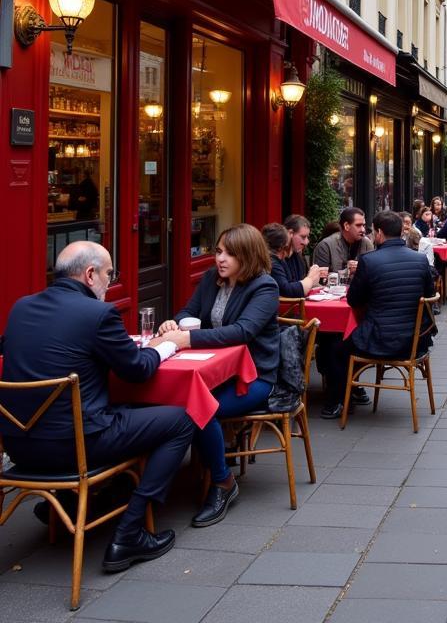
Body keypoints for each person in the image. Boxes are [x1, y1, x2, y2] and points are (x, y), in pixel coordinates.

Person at [0, 241, 193, 572]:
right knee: (180, 420)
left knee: (116, 409)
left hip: (19, 447)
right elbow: (137, 370)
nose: (109, 280)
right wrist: (164, 347)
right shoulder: (98, 314)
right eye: (109, 273)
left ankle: (71, 502)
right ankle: (129, 532)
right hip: (77, 447)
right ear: (90, 274)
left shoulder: (21, 307)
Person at [157, 224, 280, 528]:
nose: (220, 259)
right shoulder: (213, 280)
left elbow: (243, 332)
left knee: (200, 409)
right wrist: (174, 325)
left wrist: (187, 340)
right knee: (165, 401)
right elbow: (188, 311)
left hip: (253, 378)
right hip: (213, 371)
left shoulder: (264, 287)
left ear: (247, 256)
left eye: (229, 253)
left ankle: (223, 483)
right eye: (219, 251)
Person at [329, 211, 438, 415]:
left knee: (336, 349)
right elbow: (429, 296)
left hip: (379, 340)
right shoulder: (420, 260)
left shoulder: (369, 261)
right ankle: (353, 394)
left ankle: (339, 401)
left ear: (379, 233)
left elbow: (354, 300)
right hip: (415, 342)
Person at [263, 222, 323, 297]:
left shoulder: (281, 259)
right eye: (287, 247)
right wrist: (311, 278)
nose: (307, 242)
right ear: (280, 247)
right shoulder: (272, 262)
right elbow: (287, 290)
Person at [312, 207, 375, 274]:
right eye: (358, 225)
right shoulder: (325, 246)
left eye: (363, 225)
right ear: (346, 226)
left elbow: (373, 273)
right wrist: (346, 271)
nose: (363, 230)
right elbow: (319, 278)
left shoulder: (367, 244)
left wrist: (361, 269)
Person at [282, 213, 312, 286]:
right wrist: (311, 278)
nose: (306, 242)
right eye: (303, 237)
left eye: (307, 237)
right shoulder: (278, 258)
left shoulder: (298, 257)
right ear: (290, 233)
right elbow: (285, 289)